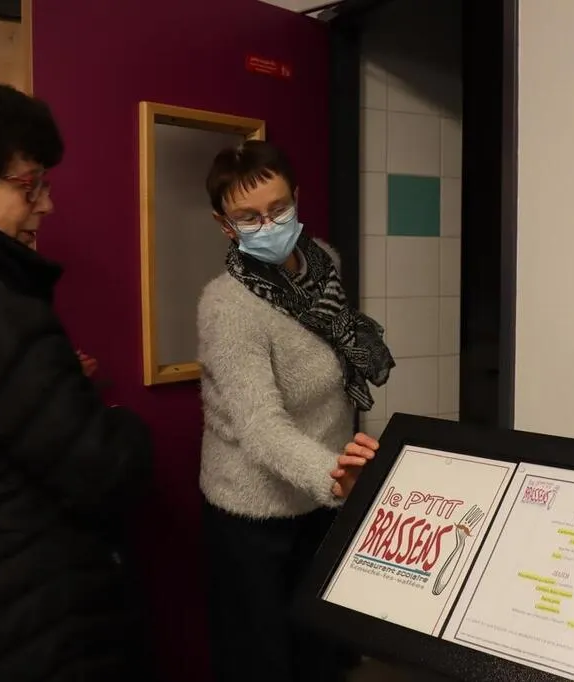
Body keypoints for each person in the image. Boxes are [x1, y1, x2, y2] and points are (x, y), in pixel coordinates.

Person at [0, 76, 154, 681]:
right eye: (31, 185)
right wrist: (123, 425)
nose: (46, 205)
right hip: (26, 617)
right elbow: (102, 468)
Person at [198, 139, 394, 682]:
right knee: (262, 661)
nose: (269, 224)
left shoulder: (324, 263)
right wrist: (335, 476)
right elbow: (261, 427)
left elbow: (334, 371)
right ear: (225, 226)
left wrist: (336, 475)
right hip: (254, 511)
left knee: (321, 654)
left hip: (321, 498)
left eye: (279, 208)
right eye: (249, 217)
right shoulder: (228, 308)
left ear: (297, 199)